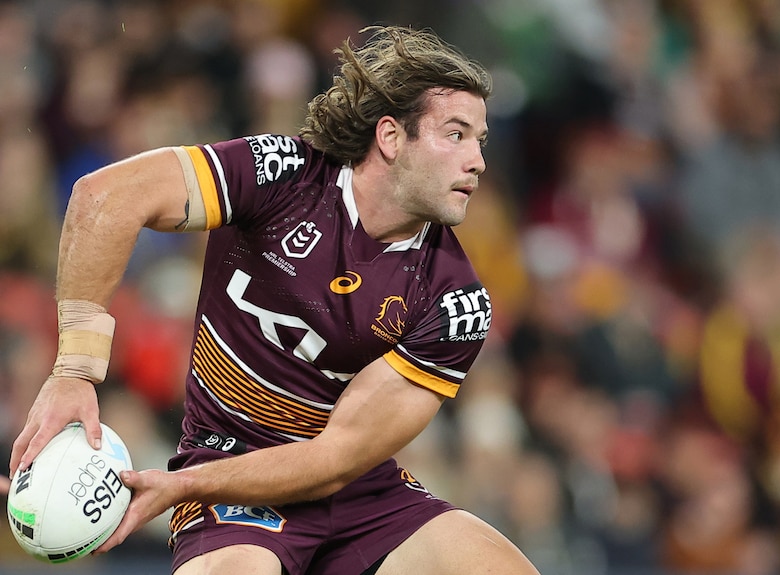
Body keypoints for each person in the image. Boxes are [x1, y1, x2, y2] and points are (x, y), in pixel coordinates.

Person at [9, 25, 541, 575]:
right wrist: (75, 370)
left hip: (360, 497)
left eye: (480, 140)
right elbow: (106, 197)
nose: (477, 160)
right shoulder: (284, 175)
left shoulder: (458, 301)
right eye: (455, 134)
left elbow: (334, 460)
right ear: (390, 136)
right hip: (231, 480)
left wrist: (179, 483)